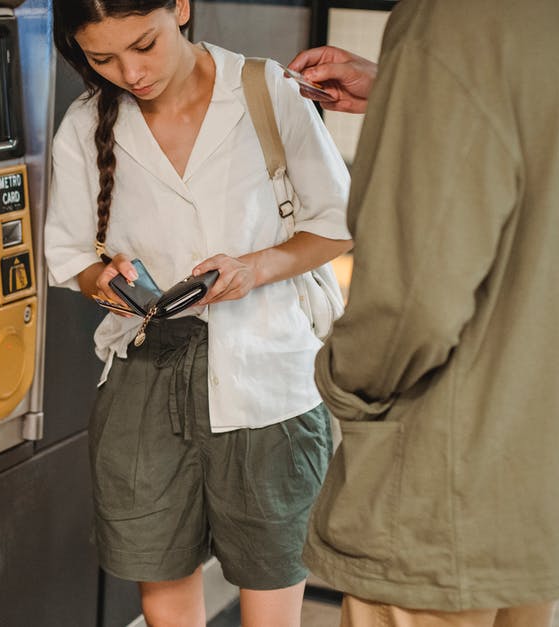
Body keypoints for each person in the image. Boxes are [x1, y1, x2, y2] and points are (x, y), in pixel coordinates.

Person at [288, 0, 559, 625]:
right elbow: (556, 144)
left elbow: (412, 306)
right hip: (551, 458)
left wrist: (340, 382)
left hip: (442, 486)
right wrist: (409, 87)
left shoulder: (455, 18)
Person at [44, 0, 353, 624]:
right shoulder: (84, 123)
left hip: (269, 380)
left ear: (179, 8)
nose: (130, 73)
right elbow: (72, 255)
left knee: (272, 584)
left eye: (144, 45)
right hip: (145, 377)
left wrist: (254, 268)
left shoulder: (268, 91)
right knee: (161, 582)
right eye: (102, 59)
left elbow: (339, 224)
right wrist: (104, 279)